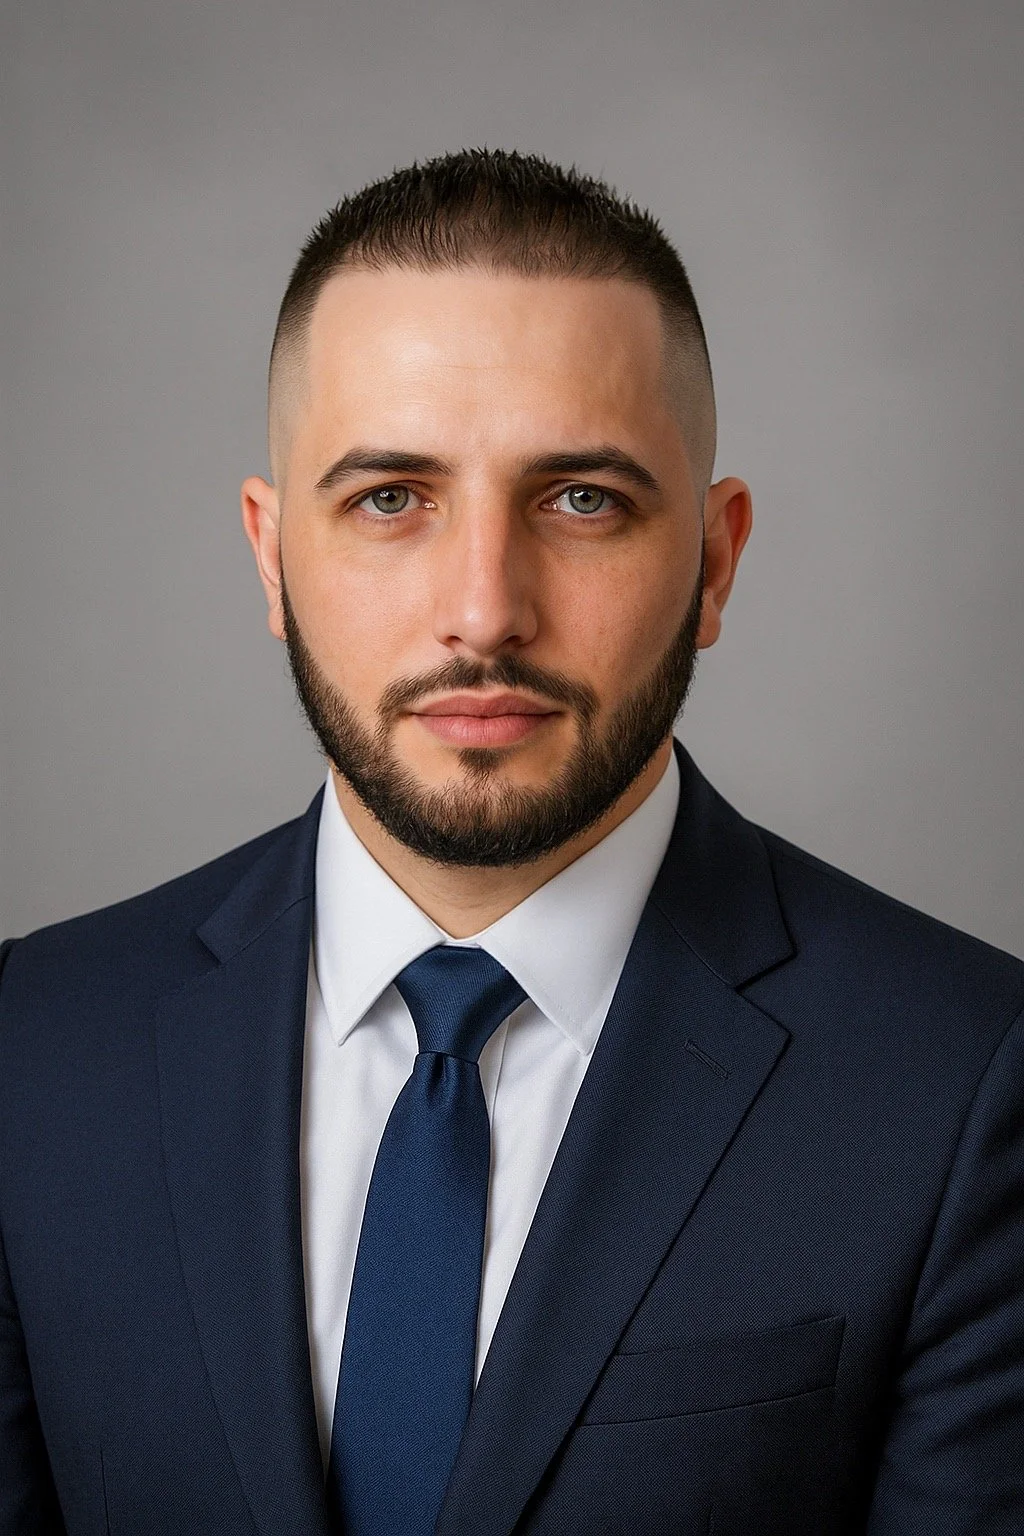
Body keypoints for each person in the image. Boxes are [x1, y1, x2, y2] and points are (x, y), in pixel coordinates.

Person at [1, 147, 1022, 1536]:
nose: (484, 611)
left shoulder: (968, 1083)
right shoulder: (31, 1049)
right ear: (270, 556)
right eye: (389, 498)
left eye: (582, 499)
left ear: (716, 561)